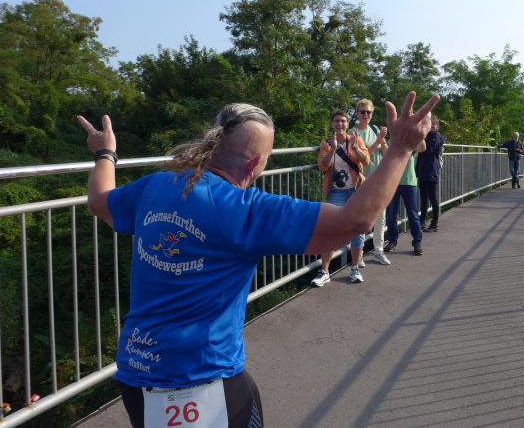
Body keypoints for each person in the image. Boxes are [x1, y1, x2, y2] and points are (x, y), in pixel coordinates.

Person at [77, 92, 439, 428]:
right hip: (201, 382)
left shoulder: (155, 186)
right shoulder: (245, 209)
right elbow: (354, 221)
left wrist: (105, 153)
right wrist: (401, 149)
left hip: (135, 374)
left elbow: (99, 201)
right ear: (255, 164)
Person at [310, 110, 371, 287]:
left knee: (357, 230)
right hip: (336, 192)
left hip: (355, 190)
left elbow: (366, 161)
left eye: (343, 121)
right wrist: (333, 149)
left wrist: (356, 148)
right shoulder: (327, 144)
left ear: (347, 124)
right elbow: (322, 166)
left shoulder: (356, 139)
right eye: (337, 121)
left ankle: (355, 268)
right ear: (332, 124)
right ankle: (325, 271)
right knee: (331, 231)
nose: (340, 124)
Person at [351, 98, 391, 266]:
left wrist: (383, 141)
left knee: (381, 217)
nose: (366, 115)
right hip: (362, 180)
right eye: (363, 112)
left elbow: (386, 153)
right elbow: (363, 157)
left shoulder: (374, 129)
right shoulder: (353, 132)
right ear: (357, 113)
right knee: (362, 218)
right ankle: (358, 254)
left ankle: (378, 251)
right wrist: (379, 139)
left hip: (379, 179)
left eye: (369, 112)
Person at [384, 139, 427, 255]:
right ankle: (392, 241)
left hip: (409, 182)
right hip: (393, 183)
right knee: (391, 214)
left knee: (412, 214)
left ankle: (417, 242)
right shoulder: (394, 139)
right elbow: (385, 150)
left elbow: (423, 148)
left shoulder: (412, 141)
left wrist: (420, 134)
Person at [417, 116, 445, 232]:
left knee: (433, 198)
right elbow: (419, 153)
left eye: (434, 124)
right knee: (423, 198)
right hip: (423, 171)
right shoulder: (426, 136)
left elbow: (428, 150)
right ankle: (422, 222)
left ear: (437, 126)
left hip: (432, 171)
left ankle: (434, 223)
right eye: (430, 123)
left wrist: (421, 137)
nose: (432, 125)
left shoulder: (437, 137)